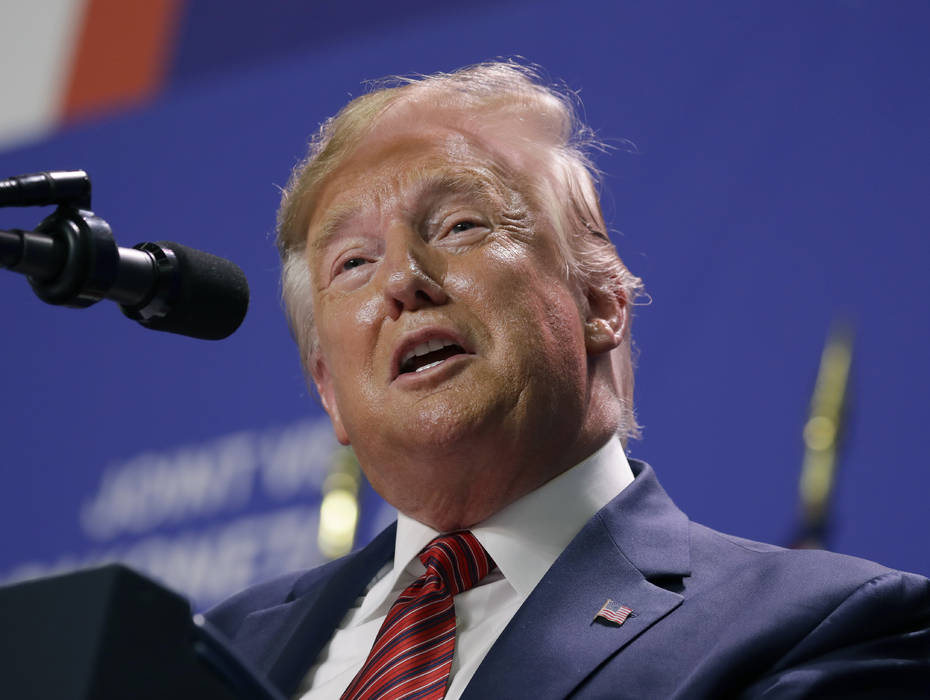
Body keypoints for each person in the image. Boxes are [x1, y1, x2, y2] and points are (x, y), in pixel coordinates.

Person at [206, 62, 930, 698]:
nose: (402, 279)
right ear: (328, 387)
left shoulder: (828, 627)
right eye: (353, 263)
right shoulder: (210, 653)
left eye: (459, 224)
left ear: (601, 301)